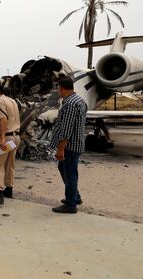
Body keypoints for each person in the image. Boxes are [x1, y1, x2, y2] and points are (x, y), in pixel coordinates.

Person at [50, 77, 88, 214]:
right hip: (75, 143)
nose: (57, 90)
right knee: (64, 169)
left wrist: (61, 150)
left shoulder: (70, 104)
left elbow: (66, 131)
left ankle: (71, 205)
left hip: (70, 146)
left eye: (57, 88)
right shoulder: (79, 100)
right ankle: (75, 197)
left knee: (70, 173)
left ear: (61, 88)